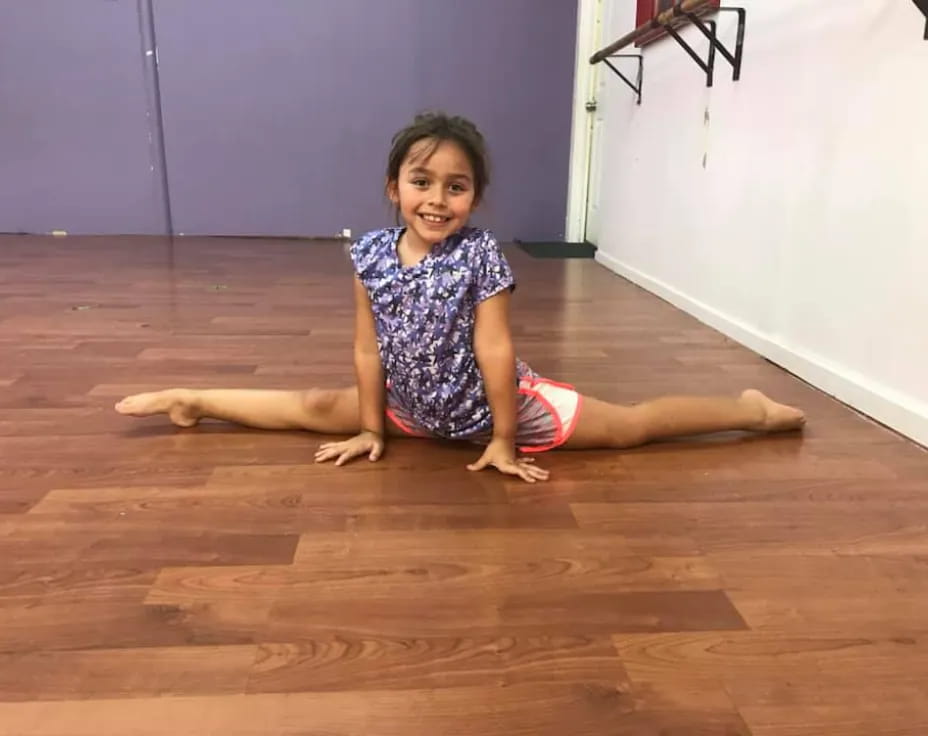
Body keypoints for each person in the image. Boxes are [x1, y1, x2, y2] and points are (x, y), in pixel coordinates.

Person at [116, 112, 805, 483]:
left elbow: (494, 346)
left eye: (456, 186)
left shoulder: (480, 254)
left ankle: (748, 410)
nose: (437, 198)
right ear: (394, 188)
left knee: (629, 427)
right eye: (422, 181)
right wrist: (368, 424)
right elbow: (366, 344)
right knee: (316, 407)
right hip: (412, 409)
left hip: (496, 410)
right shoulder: (370, 255)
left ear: (474, 197)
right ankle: (196, 398)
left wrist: (505, 440)